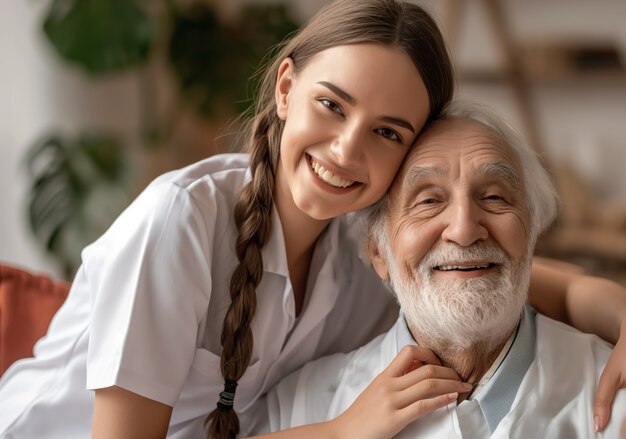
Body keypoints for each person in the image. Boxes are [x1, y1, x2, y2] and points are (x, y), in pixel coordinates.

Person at [0, 1, 624, 438]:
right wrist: (345, 431)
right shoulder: (181, 221)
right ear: (285, 87)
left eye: (386, 132)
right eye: (332, 104)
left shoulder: (362, 250)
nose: (348, 150)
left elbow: (507, 273)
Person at [259, 103, 626, 438]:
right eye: (428, 201)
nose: (464, 229)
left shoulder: (611, 389)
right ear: (378, 252)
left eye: (495, 197)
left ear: (531, 234)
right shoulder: (301, 407)